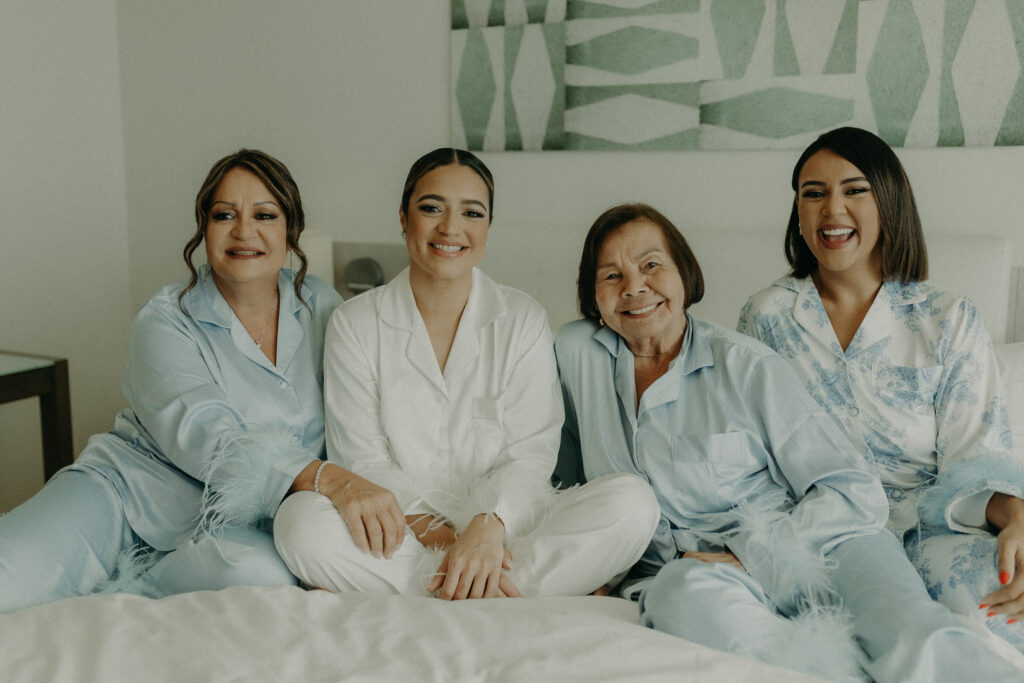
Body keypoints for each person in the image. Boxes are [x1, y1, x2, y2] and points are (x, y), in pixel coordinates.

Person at [556, 202, 1024, 681]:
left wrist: (754, 553)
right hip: (702, 574)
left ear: (684, 275)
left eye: (652, 265)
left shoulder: (746, 365)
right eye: (611, 276)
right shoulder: (576, 356)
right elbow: (564, 487)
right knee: (682, 597)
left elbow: (852, 490)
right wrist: (593, 567)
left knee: (914, 639)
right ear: (592, 297)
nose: (634, 287)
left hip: (826, 545)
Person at [272, 148, 659, 600]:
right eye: (431, 207)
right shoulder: (355, 322)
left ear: (487, 229)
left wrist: (487, 526)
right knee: (300, 524)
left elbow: (530, 457)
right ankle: (496, 591)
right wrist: (453, 544)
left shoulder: (521, 318)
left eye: (471, 213)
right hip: (402, 536)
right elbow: (364, 464)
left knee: (632, 503)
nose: (450, 228)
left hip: (506, 531)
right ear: (403, 217)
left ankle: (447, 590)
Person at [0, 149, 344, 614]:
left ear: (290, 231)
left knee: (262, 577)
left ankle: (128, 589)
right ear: (205, 230)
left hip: (240, 525)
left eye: (265, 215)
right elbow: (210, 434)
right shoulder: (165, 319)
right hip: (125, 497)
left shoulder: (322, 306)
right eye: (225, 215)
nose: (245, 231)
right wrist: (327, 479)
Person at [739, 126, 1024, 652]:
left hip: (929, 536)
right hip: (820, 540)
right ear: (798, 212)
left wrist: (1019, 521)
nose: (832, 210)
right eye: (814, 193)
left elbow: (975, 464)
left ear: (890, 201)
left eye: (854, 190)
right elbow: (750, 457)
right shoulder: (767, 317)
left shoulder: (949, 319)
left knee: (1009, 602)